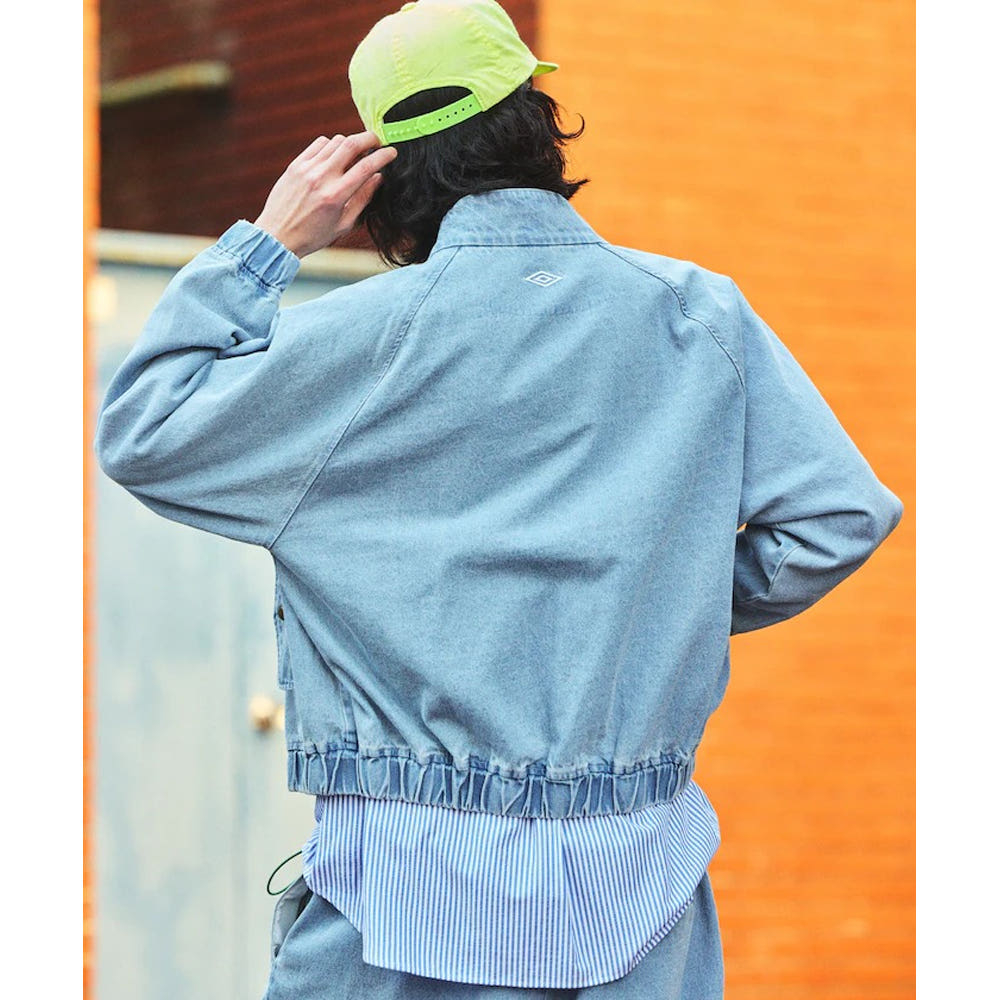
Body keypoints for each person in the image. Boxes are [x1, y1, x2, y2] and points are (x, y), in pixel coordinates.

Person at [93, 1, 904, 997]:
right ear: (535, 117)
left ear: (381, 167)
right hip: (639, 896)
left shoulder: (361, 344)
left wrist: (270, 241)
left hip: (396, 900)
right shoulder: (698, 316)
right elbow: (838, 517)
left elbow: (145, 425)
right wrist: (658, 603)